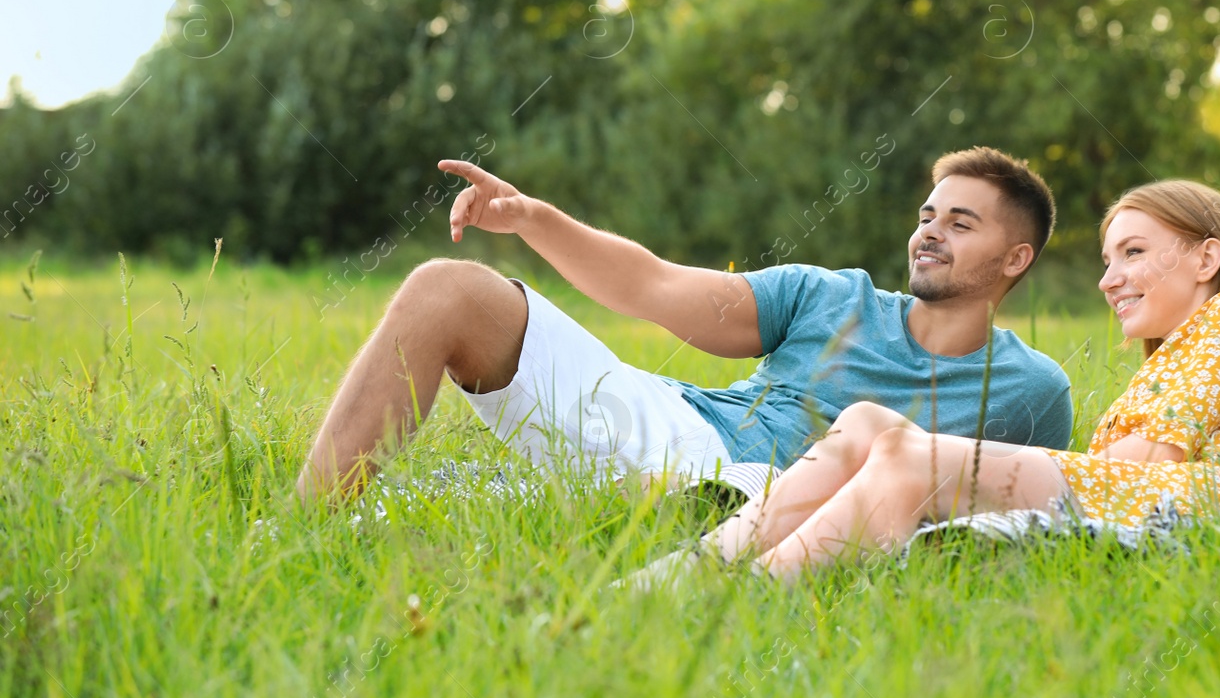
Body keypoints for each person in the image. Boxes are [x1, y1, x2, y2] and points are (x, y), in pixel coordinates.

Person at [295, 146, 1073, 505]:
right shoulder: (831, 296)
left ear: (1015, 257)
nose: (929, 231)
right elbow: (652, 284)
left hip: (761, 501)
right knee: (446, 290)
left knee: (438, 511)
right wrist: (530, 217)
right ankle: (303, 527)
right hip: (676, 426)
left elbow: (1016, 514)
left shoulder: (1033, 390)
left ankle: (524, 497)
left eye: (960, 223)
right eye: (926, 214)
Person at [632, 179, 1220, 585]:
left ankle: (750, 590)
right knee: (866, 420)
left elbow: (1152, 462)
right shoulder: (1178, 355)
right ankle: (703, 563)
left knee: (905, 454)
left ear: (1207, 255)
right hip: (1138, 491)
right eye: (1107, 258)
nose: (1108, 278)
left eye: (1133, 252)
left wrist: (1003, 477)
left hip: (1185, 501)